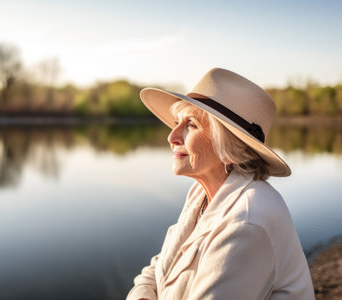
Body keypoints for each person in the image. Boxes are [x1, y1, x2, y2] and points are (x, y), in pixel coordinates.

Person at [126, 68, 314, 300]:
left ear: (230, 148)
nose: (172, 136)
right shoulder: (203, 193)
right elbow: (160, 267)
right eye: (177, 122)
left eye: (191, 124)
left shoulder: (246, 223)